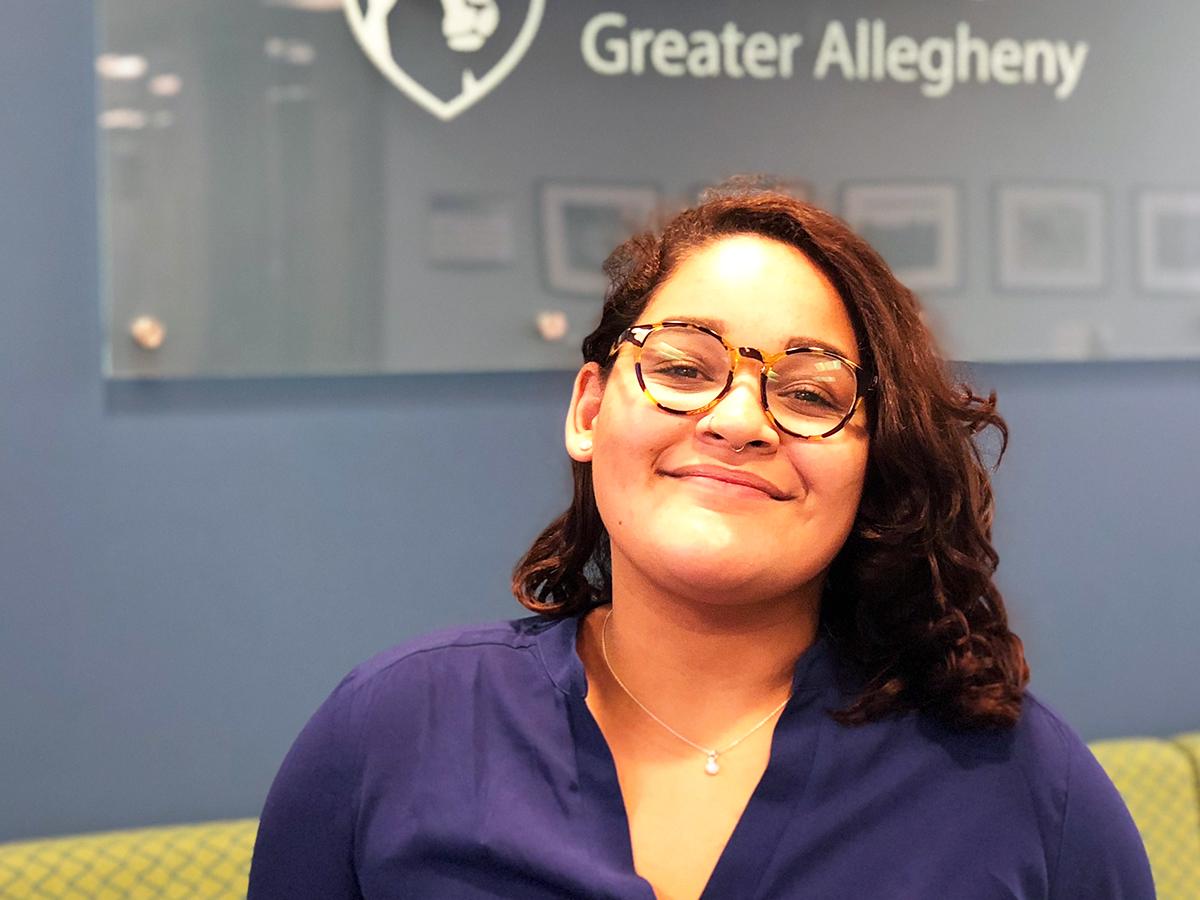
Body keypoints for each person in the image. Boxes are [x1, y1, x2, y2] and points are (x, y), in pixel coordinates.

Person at [248, 187, 1154, 899]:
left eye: (808, 394)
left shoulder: (1025, 790)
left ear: (873, 464)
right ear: (591, 409)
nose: (737, 421)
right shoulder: (391, 733)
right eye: (684, 368)